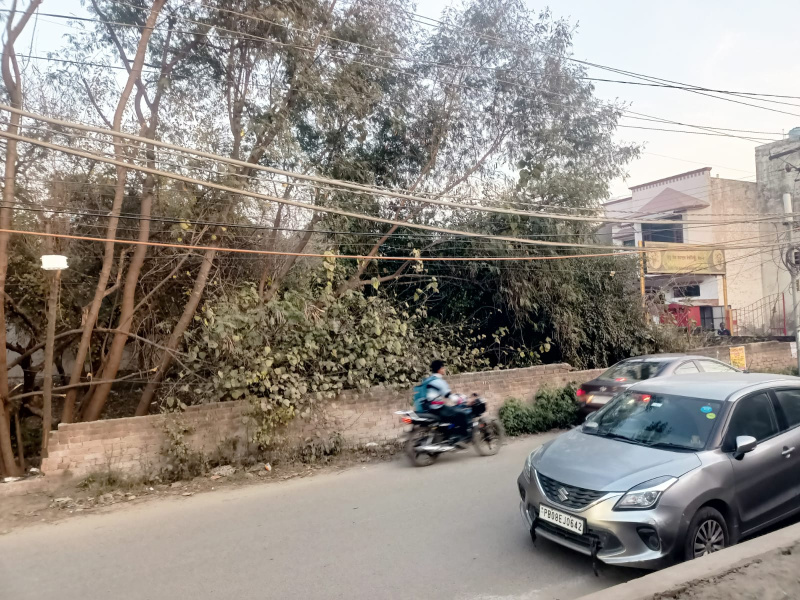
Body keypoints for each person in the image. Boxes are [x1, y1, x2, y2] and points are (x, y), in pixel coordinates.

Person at [424, 359, 473, 444]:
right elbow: (448, 396)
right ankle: (462, 436)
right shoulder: (439, 381)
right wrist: (461, 399)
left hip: (428, 407)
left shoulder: (428, 380)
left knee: (451, 411)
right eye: (443, 368)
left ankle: (449, 434)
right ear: (439, 369)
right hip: (437, 408)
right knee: (461, 413)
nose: (444, 369)